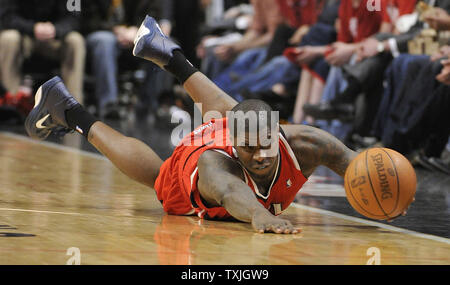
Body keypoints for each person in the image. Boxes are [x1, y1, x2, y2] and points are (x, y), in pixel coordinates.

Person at [24, 16, 410, 234]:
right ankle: (69, 110)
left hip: (237, 125)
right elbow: (229, 193)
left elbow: (354, 163)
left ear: (278, 134)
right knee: (160, 178)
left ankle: (168, 53)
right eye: (249, 148)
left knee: (243, 111)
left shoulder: (307, 141)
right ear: (234, 143)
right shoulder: (215, 167)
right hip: (202, 159)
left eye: (265, 144)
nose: (259, 156)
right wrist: (261, 215)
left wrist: (389, 192)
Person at [0, 0, 85, 103]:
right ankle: (10, 103)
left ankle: (73, 108)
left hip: (55, 38)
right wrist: (33, 28)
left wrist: (56, 29)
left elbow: (74, 18)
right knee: (8, 38)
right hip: (24, 36)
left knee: (75, 40)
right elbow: (6, 16)